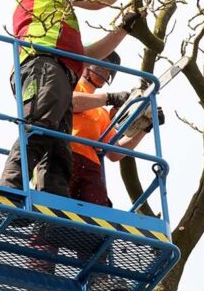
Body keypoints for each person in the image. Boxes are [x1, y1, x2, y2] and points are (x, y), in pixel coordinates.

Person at [0, 0, 143, 199]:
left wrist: (124, 29)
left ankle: (54, 203)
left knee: (58, 147)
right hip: (42, 65)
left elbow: (89, 54)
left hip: (59, 72)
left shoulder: (58, 17)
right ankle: (9, 189)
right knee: (40, 126)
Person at [67, 52, 162, 207]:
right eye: (102, 65)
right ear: (86, 65)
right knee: (52, 204)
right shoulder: (70, 83)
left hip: (91, 166)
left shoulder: (102, 113)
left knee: (97, 213)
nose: (105, 71)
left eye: (109, 70)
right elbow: (69, 101)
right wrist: (109, 97)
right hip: (62, 153)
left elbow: (115, 152)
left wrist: (145, 127)